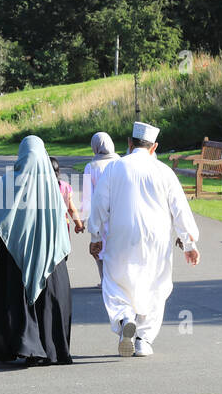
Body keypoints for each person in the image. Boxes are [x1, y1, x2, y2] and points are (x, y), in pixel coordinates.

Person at [86, 121, 200, 358]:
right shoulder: (164, 172)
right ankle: (143, 340)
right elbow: (180, 208)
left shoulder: (115, 167)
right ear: (154, 146)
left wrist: (96, 235)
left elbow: (98, 204)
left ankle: (125, 318)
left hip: (121, 236)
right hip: (157, 238)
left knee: (115, 281)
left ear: (129, 143)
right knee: (156, 285)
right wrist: (188, 242)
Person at [0, 136, 74, 366]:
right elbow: (61, 224)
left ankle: (27, 348)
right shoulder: (52, 185)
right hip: (50, 257)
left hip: (15, 257)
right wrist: (62, 254)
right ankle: (52, 350)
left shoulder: (7, 182)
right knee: (50, 303)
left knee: (17, 301)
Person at [81, 132, 119, 286]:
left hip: (99, 214)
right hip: (119, 212)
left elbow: (87, 195)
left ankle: (104, 280)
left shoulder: (91, 167)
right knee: (117, 246)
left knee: (98, 246)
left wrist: (84, 218)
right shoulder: (120, 163)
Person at [50, 156, 85, 234]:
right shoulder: (64, 186)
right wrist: (79, 225)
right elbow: (71, 209)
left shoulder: (39, 186)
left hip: (44, 225)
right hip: (62, 225)